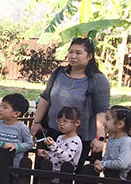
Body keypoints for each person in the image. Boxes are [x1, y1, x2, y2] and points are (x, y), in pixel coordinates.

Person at [30, 37, 110, 166]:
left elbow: (101, 111)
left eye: (78, 53)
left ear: (89, 56)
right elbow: (45, 98)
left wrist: (99, 138)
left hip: (79, 137)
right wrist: (37, 122)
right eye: (71, 52)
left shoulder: (97, 80)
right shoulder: (58, 73)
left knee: (70, 171)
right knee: (44, 169)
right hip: (52, 131)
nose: (73, 56)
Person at [36, 106, 82, 184]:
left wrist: (53, 146)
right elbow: (56, 156)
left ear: (76, 123)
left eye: (65, 121)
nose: (61, 124)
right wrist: (47, 154)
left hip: (65, 178)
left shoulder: (76, 141)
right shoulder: (60, 137)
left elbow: (67, 157)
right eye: (59, 121)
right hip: (54, 176)